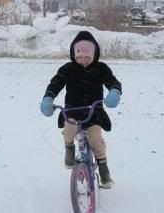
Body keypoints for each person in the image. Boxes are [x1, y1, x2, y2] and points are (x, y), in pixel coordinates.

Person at [40, 31, 122, 188]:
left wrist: (114, 92)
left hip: (94, 112)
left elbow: (113, 82)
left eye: (87, 57)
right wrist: (48, 98)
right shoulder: (68, 69)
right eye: (79, 57)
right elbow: (55, 84)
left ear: (94, 55)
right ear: (74, 55)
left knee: (96, 138)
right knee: (69, 128)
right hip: (72, 110)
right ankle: (69, 150)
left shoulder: (101, 68)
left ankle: (103, 170)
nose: (83, 60)